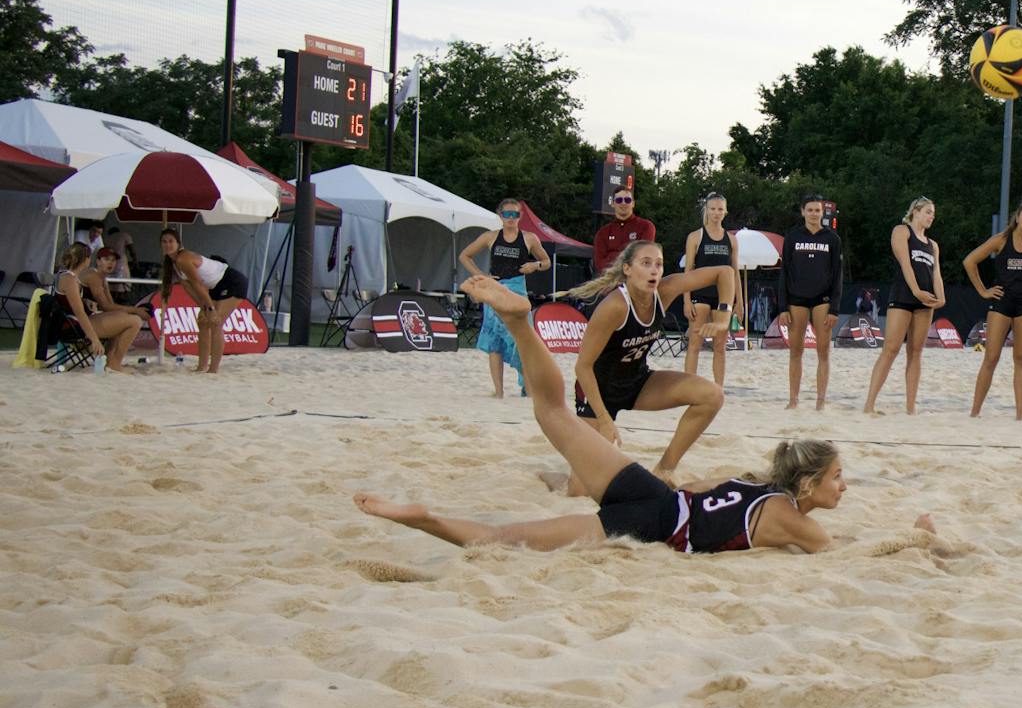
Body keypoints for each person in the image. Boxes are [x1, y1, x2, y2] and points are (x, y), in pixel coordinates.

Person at [356, 275, 936, 554]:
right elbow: (843, 554)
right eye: (837, 477)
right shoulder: (793, 519)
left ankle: (519, 323)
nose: (844, 485)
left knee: (552, 411)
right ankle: (423, 518)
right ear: (807, 485)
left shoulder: (754, 484)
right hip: (647, 526)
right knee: (505, 538)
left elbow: (697, 486)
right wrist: (914, 540)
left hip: (650, 492)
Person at [566, 240, 734, 493]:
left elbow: (725, 272)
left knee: (712, 395)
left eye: (658, 264)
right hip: (597, 393)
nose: (654, 270)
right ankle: (553, 478)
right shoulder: (614, 306)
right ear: (627, 269)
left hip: (637, 382)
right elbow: (582, 367)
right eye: (645, 263)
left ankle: (664, 470)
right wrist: (604, 419)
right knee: (578, 491)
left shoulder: (665, 290)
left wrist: (722, 319)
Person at [963, 198, 1022, 419]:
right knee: (991, 358)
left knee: (1021, 359)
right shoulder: (1001, 240)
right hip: (1001, 303)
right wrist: (983, 290)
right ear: (1017, 217)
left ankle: (1019, 415)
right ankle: (975, 412)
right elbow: (970, 261)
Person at [459, 199, 551, 397]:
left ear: (520, 216)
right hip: (495, 290)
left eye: (515, 214)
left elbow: (546, 261)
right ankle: (499, 391)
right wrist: (481, 276)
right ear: (500, 215)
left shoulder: (529, 238)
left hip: (517, 290)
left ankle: (529, 387)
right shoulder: (490, 236)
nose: (511, 218)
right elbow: (465, 256)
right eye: (507, 214)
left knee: (523, 340)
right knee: (495, 341)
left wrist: (534, 266)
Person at [863, 197, 946, 414]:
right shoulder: (902, 231)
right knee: (890, 349)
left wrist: (941, 297)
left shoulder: (933, 245)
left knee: (916, 352)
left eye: (933, 213)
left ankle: (910, 408)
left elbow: (936, 273)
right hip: (903, 295)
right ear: (915, 211)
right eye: (928, 212)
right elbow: (905, 264)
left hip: (925, 301)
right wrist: (916, 291)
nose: (931, 216)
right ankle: (869, 404)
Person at [778, 195, 843, 410]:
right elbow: (784, 272)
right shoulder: (793, 237)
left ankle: (820, 401)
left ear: (823, 212)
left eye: (817, 210)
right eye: (810, 210)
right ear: (803, 211)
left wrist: (834, 308)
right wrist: (782, 307)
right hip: (796, 299)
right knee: (796, 351)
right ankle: (793, 399)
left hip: (823, 299)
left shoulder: (832, 239)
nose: (814, 214)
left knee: (823, 351)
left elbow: (837, 275)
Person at [159, 228, 248, 373]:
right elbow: (189, 288)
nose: (167, 244)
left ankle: (213, 369)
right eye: (164, 242)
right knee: (202, 322)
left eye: (171, 241)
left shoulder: (183, 259)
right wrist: (203, 307)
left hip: (231, 281)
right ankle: (202, 366)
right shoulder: (174, 264)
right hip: (216, 286)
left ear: (178, 243)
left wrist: (211, 309)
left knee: (215, 322)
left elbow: (198, 284)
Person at [52, 242, 144, 373]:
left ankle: (110, 360)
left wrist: (86, 301)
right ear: (86, 260)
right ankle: (114, 364)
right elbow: (79, 312)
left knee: (122, 316)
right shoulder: (70, 279)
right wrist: (94, 340)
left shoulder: (68, 276)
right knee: (135, 321)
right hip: (75, 325)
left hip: (75, 321)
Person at [682, 192, 742, 387]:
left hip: (723, 297)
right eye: (713, 209)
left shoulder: (731, 239)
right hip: (700, 294)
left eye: (720, 209)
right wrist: (686, 300)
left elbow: (735, 273)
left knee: (720, 346)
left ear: (725, 212)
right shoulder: (695, 237)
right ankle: (689, 387)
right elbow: (688, 270)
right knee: (695, 343)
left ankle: (718, 388)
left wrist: (739, 302)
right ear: (706, 210)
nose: (716, 212)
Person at [593, 188, 656, 273]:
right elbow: (599, 263)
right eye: (619, 200)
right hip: (610, 278)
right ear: (613, 204)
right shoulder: (603, 233)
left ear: (633, 203)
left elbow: (643, 256)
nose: (623, 203)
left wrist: (613, 257)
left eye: (627, 200)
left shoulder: (646, 226)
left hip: (636, 277)